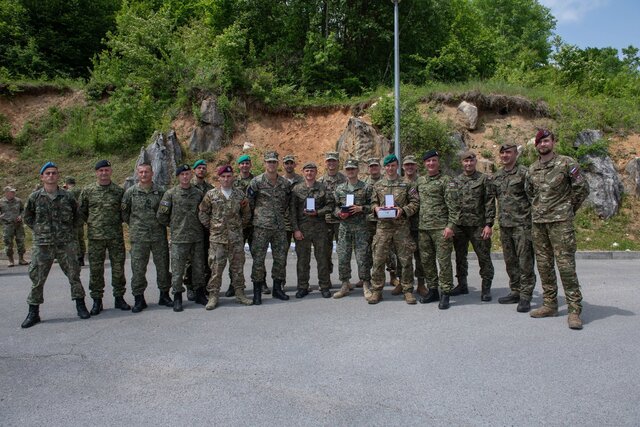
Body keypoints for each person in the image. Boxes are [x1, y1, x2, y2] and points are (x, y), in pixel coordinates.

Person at [525, 129, 589, 330]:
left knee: (566, 266)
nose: (543, 144)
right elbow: (530, 193)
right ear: (536, 146)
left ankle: (574, 310)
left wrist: (568, 208)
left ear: (553, 142)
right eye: (539, 142)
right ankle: (550, 304)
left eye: (546, 140)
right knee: (544, 265)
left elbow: (582, 188)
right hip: (539, 223)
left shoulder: (567, 163)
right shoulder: (532, 169)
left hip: (561, 223)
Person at [21, 162, 90, 328]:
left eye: (54, 173)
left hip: (66, 243)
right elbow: (27, 217)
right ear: (42, 177)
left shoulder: (67, 196)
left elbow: (78, 215)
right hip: (43, 244)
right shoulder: (35, 197)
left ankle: (80, 306)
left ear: (58, 176)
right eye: (48, 173)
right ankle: (33, 312)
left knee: (74, 274)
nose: (51, 176)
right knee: (37, 278)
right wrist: (39, 230)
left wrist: (70, 232)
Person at [198, 165, 253, 309]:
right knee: (216, 269)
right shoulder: (211, 195)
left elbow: (247, 213)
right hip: (218, 240)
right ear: (219, 178)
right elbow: (202, 212)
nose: (226, 179)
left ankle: (240, 293)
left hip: (235, 238)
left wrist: (239, 226)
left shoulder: (240, 195)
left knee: (237, 268)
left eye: (229, 176)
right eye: (223, 177)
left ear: (233, 177)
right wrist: (212, 227)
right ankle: (213, 296)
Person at [79, 159, 130, 315]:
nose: (104, 173)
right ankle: (97, 300)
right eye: (101, 171)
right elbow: (82, 212)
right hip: (95, 237)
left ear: (111, 171)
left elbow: (124, 213)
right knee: (95, 270)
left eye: (106, 170)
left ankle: (119, 297)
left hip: (115, 236)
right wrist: (93, 223)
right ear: (96, 173)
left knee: (118, 268)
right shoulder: (88, 191)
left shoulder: (118, 191)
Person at [121, 163, 173, 312]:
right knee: (138, 269)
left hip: (158, 236)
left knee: (163, 267)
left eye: (146, 172)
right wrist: (136, 225)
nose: (144, 174)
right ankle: (139, 298)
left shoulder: (161, 191)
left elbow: (166, 212)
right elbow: (125, 214)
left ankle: (164, 295)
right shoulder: (130, 192)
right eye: (141, 172)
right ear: (138, 174)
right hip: (139, 237)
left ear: (152, 173)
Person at [368, 154, 419, 305]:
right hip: (383, 228)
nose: (390, 168)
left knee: (405, 260)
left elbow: (415, 203)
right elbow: (372, 203)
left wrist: (403, 210)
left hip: (401, 227)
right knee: (378, 260)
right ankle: (377, 291)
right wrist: (376, 208)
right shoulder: (378, 185)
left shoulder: (406, 184)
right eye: (388, 166)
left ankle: (408, 290)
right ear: (384, 167)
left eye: (393, 165)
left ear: (398, 166)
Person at [157, 164, 207, 312]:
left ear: (191, 175)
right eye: (182, 174)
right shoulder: (170, 194)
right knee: (178, 270)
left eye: (187, 174)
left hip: (197, 237)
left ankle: (199, 293)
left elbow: (204, 212)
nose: (185, 177)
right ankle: (177, 296)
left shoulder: (198, 193)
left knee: (199, 268)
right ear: (178, 177)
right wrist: (174, 226)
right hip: (179, 239)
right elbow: (161, 215)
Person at [493, 142, 536, 313]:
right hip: (505, 225)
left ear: (515, 154)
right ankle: (515, 290)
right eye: (502, 153)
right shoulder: (497, 176)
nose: (505, 156)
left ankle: (526, 295)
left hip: (522, 225)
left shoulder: (525, 173)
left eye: (508, 153)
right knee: (510, 261)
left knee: (525, 261)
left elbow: (534, 197)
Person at [415, 150, 460, 309]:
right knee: (427, 261)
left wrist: (450, 226)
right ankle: (433, 290)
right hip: (424, 228)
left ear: (438, 162)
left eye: (434, 161)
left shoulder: (447, 181)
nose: (431, 164)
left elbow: (454, 206)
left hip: (441, 229)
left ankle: (446, 292)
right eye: (428, 161)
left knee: (444, 262)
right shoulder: (420, 181)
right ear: (424, 163)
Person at [247, 151, 292, 304]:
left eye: (274, 162)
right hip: (261, 227)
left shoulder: (285, 184)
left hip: (279, 227)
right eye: (269, 162)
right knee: (258, 259)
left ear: (277, 164)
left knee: (280, 258)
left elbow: (286, 203)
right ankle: (257, 291)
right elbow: (250, 203)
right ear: (264, 163)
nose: (271, 164)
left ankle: (277, 289)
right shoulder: (256, 182)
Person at [452, 151, 496, 302]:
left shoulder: (484, 179)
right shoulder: (456, 181)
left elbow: (489, 202)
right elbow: (452, 204)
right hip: (460, 225)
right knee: (460, 257)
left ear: (475, 162)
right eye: (465, 161)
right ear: (461, 163)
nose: (468, 164)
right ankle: (462, 285)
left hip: (478, 225)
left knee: (484, 257)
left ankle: (486, 289)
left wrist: (489, 224)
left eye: (471, 161)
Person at [290, 162, 334, 298]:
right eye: (307, 171)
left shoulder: (323, 188)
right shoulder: (296, 189)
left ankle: (325, 286)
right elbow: (292, 212)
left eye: (312, 171)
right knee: (303, 260)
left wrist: (318, 212)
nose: (309, 173)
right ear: (303, 172)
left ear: (316, 172)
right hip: (303, 229)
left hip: (320, 229)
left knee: (322, 258)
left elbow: (330, 205)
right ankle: (303, 286)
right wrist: (295, 230)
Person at [332, 159, 373, 299]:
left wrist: (361, 208)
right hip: (344, 228)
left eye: (353, 169)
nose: (351, 171)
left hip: (361, 227)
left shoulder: (366, 187)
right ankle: (345, 284)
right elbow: (335, 207)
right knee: (343, 256)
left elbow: (373, 206)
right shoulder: (339, 188)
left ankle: (366, 284)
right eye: (348, 169)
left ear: (357, 170)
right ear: (345, 171)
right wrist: (339, 214)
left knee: (363, 257)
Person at [232, 154, 264, 295]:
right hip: (238, 225)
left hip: (254, 224)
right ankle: (234, 284)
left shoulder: (257, 181)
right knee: (236, 256)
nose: (244, 165)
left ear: (250, 165)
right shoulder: (232, 182)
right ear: (238, 166)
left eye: (247, 163)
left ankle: (261, 282)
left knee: (258, 254)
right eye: (242, 163)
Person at [364, 157, 398, 290]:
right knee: (371, 250)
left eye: (376, 166)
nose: (373, 169)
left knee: (389, 251)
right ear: (368, 169)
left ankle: (393, 276)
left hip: (386, 222)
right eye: (371, 167)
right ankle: (368, 277)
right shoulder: (365, 183)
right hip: (369, 221)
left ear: (380, 167)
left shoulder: (387, 180)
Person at [397, 155, 427, 297]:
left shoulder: (422, 181)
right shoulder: (398, 182)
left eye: (412, 165)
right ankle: (401, 282)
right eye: (406, 165)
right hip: (402, 225)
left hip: (419, 224)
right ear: (403, 167)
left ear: (416, 166)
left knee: (420, 256)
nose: (409, 167)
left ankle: (421, 284)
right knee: (401, 256)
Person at [184, 159, 214, 302]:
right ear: (194, 171)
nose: (201, 170)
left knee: (207, 259)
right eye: (199, 168)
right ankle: (190, 287)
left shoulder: (210, 188)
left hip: (207, 230)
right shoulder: (188, 187)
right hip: (192, 229)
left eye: (203, 168)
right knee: (191, 260)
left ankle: (205, 286)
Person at [317, 151, 346, 281]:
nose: (331, 163)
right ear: (325, 163)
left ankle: (344, 279)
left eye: (334, 161)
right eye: (329, 161)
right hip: (325, 221)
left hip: (342, 221)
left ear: (338, 162)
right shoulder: (320, 182)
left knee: (343, 251)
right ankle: (326, 279)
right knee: (325, 252)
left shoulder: (344, 180)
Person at [0, 185, 28, 267]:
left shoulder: (18, 201)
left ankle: (21, 259)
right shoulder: (1, 202)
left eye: (14, 192)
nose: (13, 193)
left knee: (21, 241)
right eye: (11, 192)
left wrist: (21, 216)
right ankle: (10, 260)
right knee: (8, 243)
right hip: (7, 225)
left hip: (18, 225)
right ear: (7, 193)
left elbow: (23, 210)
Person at [64, 177, 86, 266]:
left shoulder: (68, 192)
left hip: (73, 218)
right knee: (81, 238)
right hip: (81, 217)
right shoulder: (81, 190)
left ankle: (78, 256)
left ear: (67, 183)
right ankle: (82, 256)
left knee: (75, 239)